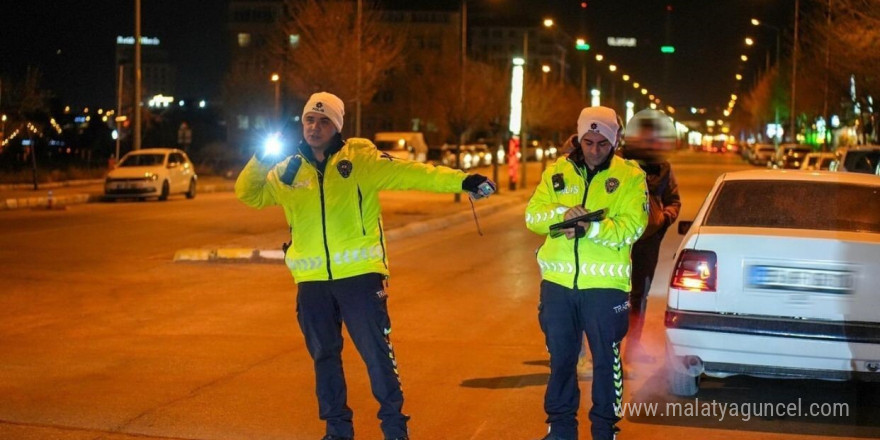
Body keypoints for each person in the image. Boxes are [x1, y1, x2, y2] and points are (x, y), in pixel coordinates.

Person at [235, 91, 496, 440]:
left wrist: (463, 180)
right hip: (311, 282)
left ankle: (394, 429)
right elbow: (247, 194)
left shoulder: (360, 160)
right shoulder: (287, 170)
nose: (315, 127)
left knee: (376, 356)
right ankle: (337, 430)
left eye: (324, 120)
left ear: (337, 125)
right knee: (324, 357)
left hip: (359, 279)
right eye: (309, 120)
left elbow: (413, 173)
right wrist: (264, 158)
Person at [526, 105, 648, 440]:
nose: (594, 150)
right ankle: (561, 430)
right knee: (562, 360)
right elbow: (533, 216)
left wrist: (590, 228)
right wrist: (565, 214)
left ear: (614, 141)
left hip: (605, 288)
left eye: (602, 143)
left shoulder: (630, 177)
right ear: (579, 139)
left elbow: (633, 227)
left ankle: (605, 430)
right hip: (558, 286)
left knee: (606, 364)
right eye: (588, 142)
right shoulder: (556, 172)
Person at [619, 111, 681, 362]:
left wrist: (663, 218)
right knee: (612, 294)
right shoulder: (618, 163)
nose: (649, 141)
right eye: (644, 135)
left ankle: (633, 347)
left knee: (639, 296)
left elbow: (674, 201)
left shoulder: (663, 169)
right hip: (617, 241)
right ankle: (608, 347)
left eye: (653, 136)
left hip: (648, 242)